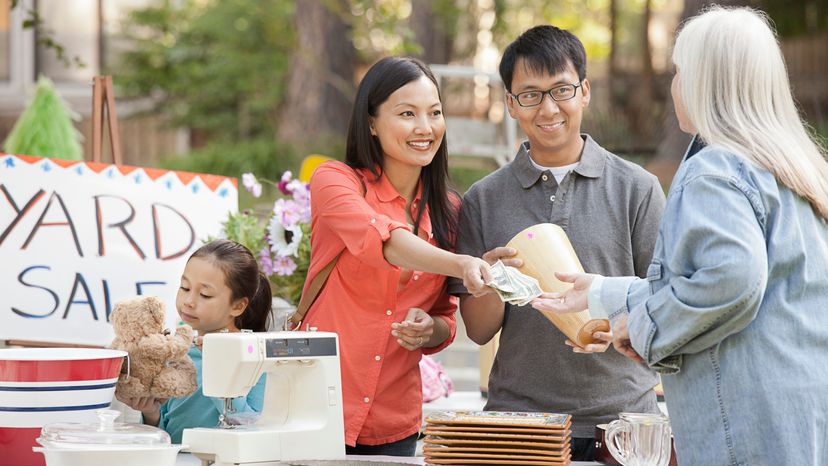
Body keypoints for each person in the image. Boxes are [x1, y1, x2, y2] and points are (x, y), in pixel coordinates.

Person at [532, 7, 828, 466]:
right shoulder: (793, 169)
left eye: (678, 71)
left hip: (745, 424)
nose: (674, 86)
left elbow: (730, 279)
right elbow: (723, 281)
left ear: (706, 81)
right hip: (800, 414)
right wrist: (603, 294)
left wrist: (644, 325)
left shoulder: (715, 170)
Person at [447, 25, 666, 461]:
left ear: (584, 91)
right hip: (519, 422)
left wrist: (619, 329)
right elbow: (479, 330)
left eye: (561, 90)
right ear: (510, 104)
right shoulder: (483, 199)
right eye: (530, 94)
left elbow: (664, 298)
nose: (548, 108)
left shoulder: (637, 188)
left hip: (622, 423)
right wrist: (488, 282)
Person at [303, 56, 492, 456]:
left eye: (435, 113)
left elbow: (445, 318)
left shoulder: (450, 211)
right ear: (371, 122)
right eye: (407, 114)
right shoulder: (335, 181)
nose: (425, 128)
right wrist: (459, 262)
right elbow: (384, 241)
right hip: (314, 410)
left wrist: (430, 329)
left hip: (397, 423)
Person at [118, 239, 271, 443]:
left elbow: (250, 426)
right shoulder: (177, 351)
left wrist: (216, 367)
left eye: (205, 295)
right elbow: (167, 431)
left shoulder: (254, 356)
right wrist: (151, 412)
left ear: (237, 306)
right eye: (185, 287)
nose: (189, 302)